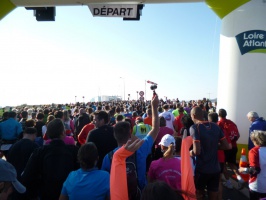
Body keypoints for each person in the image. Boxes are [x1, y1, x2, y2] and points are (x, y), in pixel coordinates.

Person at [102, 94, 159, 191]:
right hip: (140, 192)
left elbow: (106, 180)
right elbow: (155, 129)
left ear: (115, 136)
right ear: (130, 134)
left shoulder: (109, 157)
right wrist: (154, 106)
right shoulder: (140, 148)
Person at [21, 118, 79, 200]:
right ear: (63, 133)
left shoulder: (40, 152)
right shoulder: (74, 150)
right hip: (69, 193)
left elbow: (27, 176)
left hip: (46, 193)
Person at [190, 106, 231, 200]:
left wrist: (189, 153)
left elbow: (197, 151)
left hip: (202, 170)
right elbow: (226, 146)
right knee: (213, 196)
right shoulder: (216, 126)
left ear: (193, 115)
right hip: (215, 169)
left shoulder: (194, 128)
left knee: (199, 195)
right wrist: (213, 147)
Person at [7, 127, 39, 199]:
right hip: (30, 181)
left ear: (24, 134)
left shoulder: (13, 146)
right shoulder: (35, 146)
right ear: (34, 135)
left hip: (14, 179)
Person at [217, 108, 244, 190]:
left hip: (225, 149)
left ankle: (229, 183)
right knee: (232, 164)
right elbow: (238, 135)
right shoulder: (232, 123)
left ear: (219, 115)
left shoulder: (219, 124)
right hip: (234, 147)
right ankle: (240, 178)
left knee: (224, 165)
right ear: (226, 114)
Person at [239, 130, 266, 200]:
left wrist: (243, 169)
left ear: (256, 140)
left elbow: (254, 170)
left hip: (258, 186)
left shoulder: (254, 151)